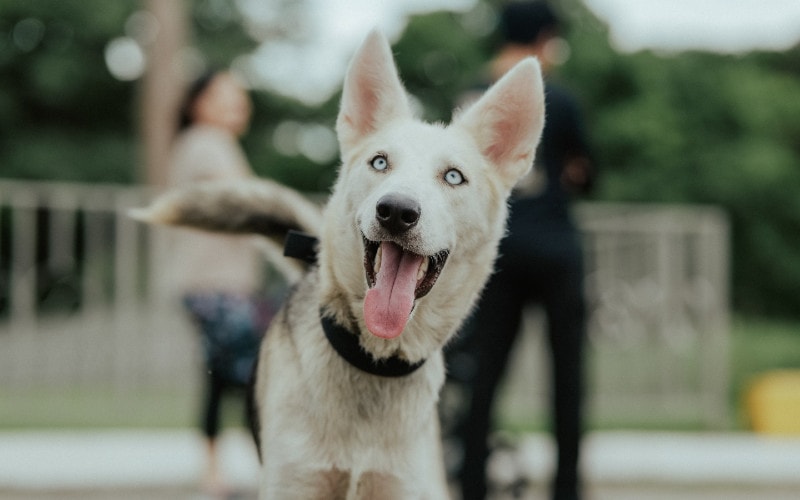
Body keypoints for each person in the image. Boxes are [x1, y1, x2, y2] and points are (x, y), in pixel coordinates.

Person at [445, 3, 595, 500]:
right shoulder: (561, 99)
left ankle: (470, 484)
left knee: (484, 374)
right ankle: (567, 488)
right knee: (567, 376)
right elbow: (585, 172)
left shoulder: (471, 96)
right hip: (555, 246)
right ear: (546, 38)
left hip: (498, 252)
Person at [166, 70, 272, 497]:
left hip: (210, 283)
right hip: (215, 285)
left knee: (219, 377)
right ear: (198, 103)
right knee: (253, 376)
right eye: (225, 96)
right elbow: (239, 202)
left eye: (240, 98)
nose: (237, 105)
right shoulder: (207, 143)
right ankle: (274, 474)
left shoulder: (201, 144)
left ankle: (214, 475)